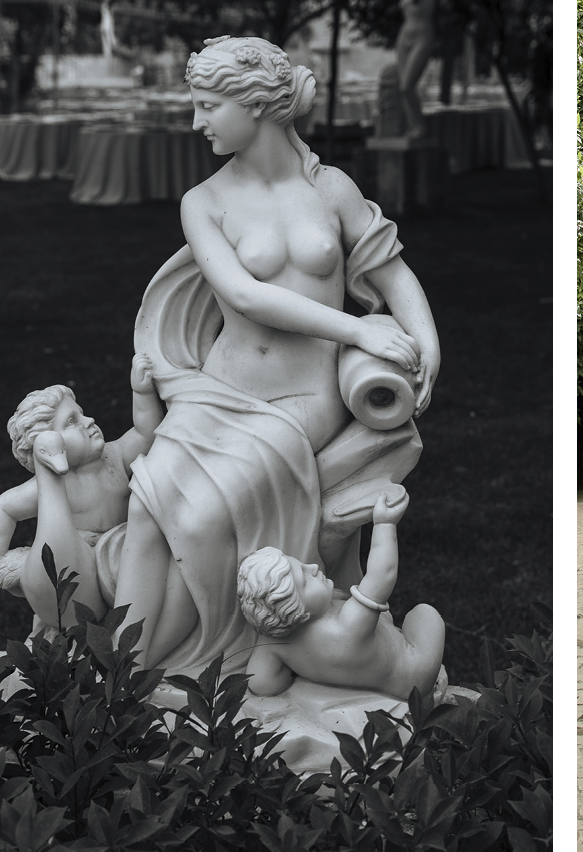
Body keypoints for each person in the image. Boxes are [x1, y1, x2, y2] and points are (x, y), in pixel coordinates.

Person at [110, 34, 441, 675]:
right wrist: (358, 330)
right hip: (218, 388)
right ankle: (122, 676)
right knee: (146, 504)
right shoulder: (203, 201)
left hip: (299, 400)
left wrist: (426, 344)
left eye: (208, 106)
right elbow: (243, 294)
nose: (197, 121)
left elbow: (393, 273)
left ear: (255, 104)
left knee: (205, 515)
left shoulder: (334, 190)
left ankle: (209, 662)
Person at [0, 356, 161, 625]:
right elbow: (4, 507)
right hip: (83, 563)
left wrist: (141, 392)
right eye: (72, 421)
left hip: (126, 551)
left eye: (81, 413)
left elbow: (145, 433)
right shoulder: (52, 486)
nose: (89, 420)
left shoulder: (114, 456)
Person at [236, 486, 444, 700]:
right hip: (412, 676)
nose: (313, 568)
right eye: (305, 580)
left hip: (371, 663)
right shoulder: (346, 627)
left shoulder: (273, 645)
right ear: (300, 613)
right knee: (423, 613)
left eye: (302, 565)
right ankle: (432, 679)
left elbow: (262, 683)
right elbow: (382, 576)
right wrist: (385, 524)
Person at [393, 0, 437, 139]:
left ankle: (420, 126)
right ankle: (413, 127)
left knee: (407, 85)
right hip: (404, 38)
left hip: (422, 36)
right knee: (402, 86)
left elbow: (428, 10)